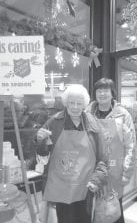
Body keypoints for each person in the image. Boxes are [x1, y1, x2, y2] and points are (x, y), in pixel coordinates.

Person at [35, 84, 108, 223]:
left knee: (84, 219)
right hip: (62, 186)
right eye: (71, 103)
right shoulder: (54, 122)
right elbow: (42, 154)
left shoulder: (93, 123)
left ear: (84, 105)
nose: (75, 107)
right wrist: (40, 140)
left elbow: (103, 157)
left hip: (86, 187)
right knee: (65, 219)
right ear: (66, 103)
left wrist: (96, 179)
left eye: (79, 103)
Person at [85, 78, 137, 223]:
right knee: (93, 209)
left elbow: (131, 145)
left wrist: (127, 172)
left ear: (112, 93)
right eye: (99, 90)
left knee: (114, 210)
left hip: (115, 172)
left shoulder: (123, 115)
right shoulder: (87, 114)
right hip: (92, 171)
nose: (102, 93)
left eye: (105, 90)